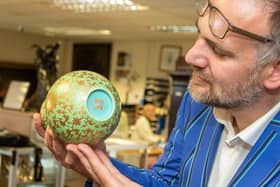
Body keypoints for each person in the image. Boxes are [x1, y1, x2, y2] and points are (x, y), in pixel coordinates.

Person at [33, 0, 280, 186]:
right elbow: (166, 180)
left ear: (274, 71)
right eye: (199, 34)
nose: (190, 56)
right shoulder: (198, 104)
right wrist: (96, 165)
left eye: (219, 50)